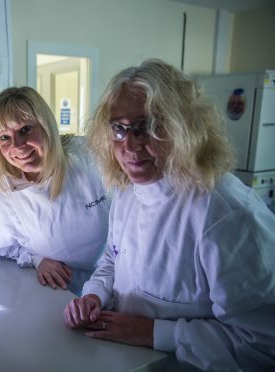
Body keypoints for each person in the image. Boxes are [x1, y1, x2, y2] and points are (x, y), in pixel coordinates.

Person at [63, 59, 275, 370]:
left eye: (148, 126)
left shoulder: (226, 214)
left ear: (184, 126)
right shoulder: (127, 191)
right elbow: (112, 259)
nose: (131, 146)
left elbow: (263, 344)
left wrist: (157, 333)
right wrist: (94, 295)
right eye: (119, 129)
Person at [0, 87, 110, 295]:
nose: (18, 146)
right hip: (59, 292)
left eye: (25, 130)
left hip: (116, 281)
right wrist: (36, 260)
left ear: (46, 126)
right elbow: (5, 252)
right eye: (5, 137)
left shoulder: (87, 157)